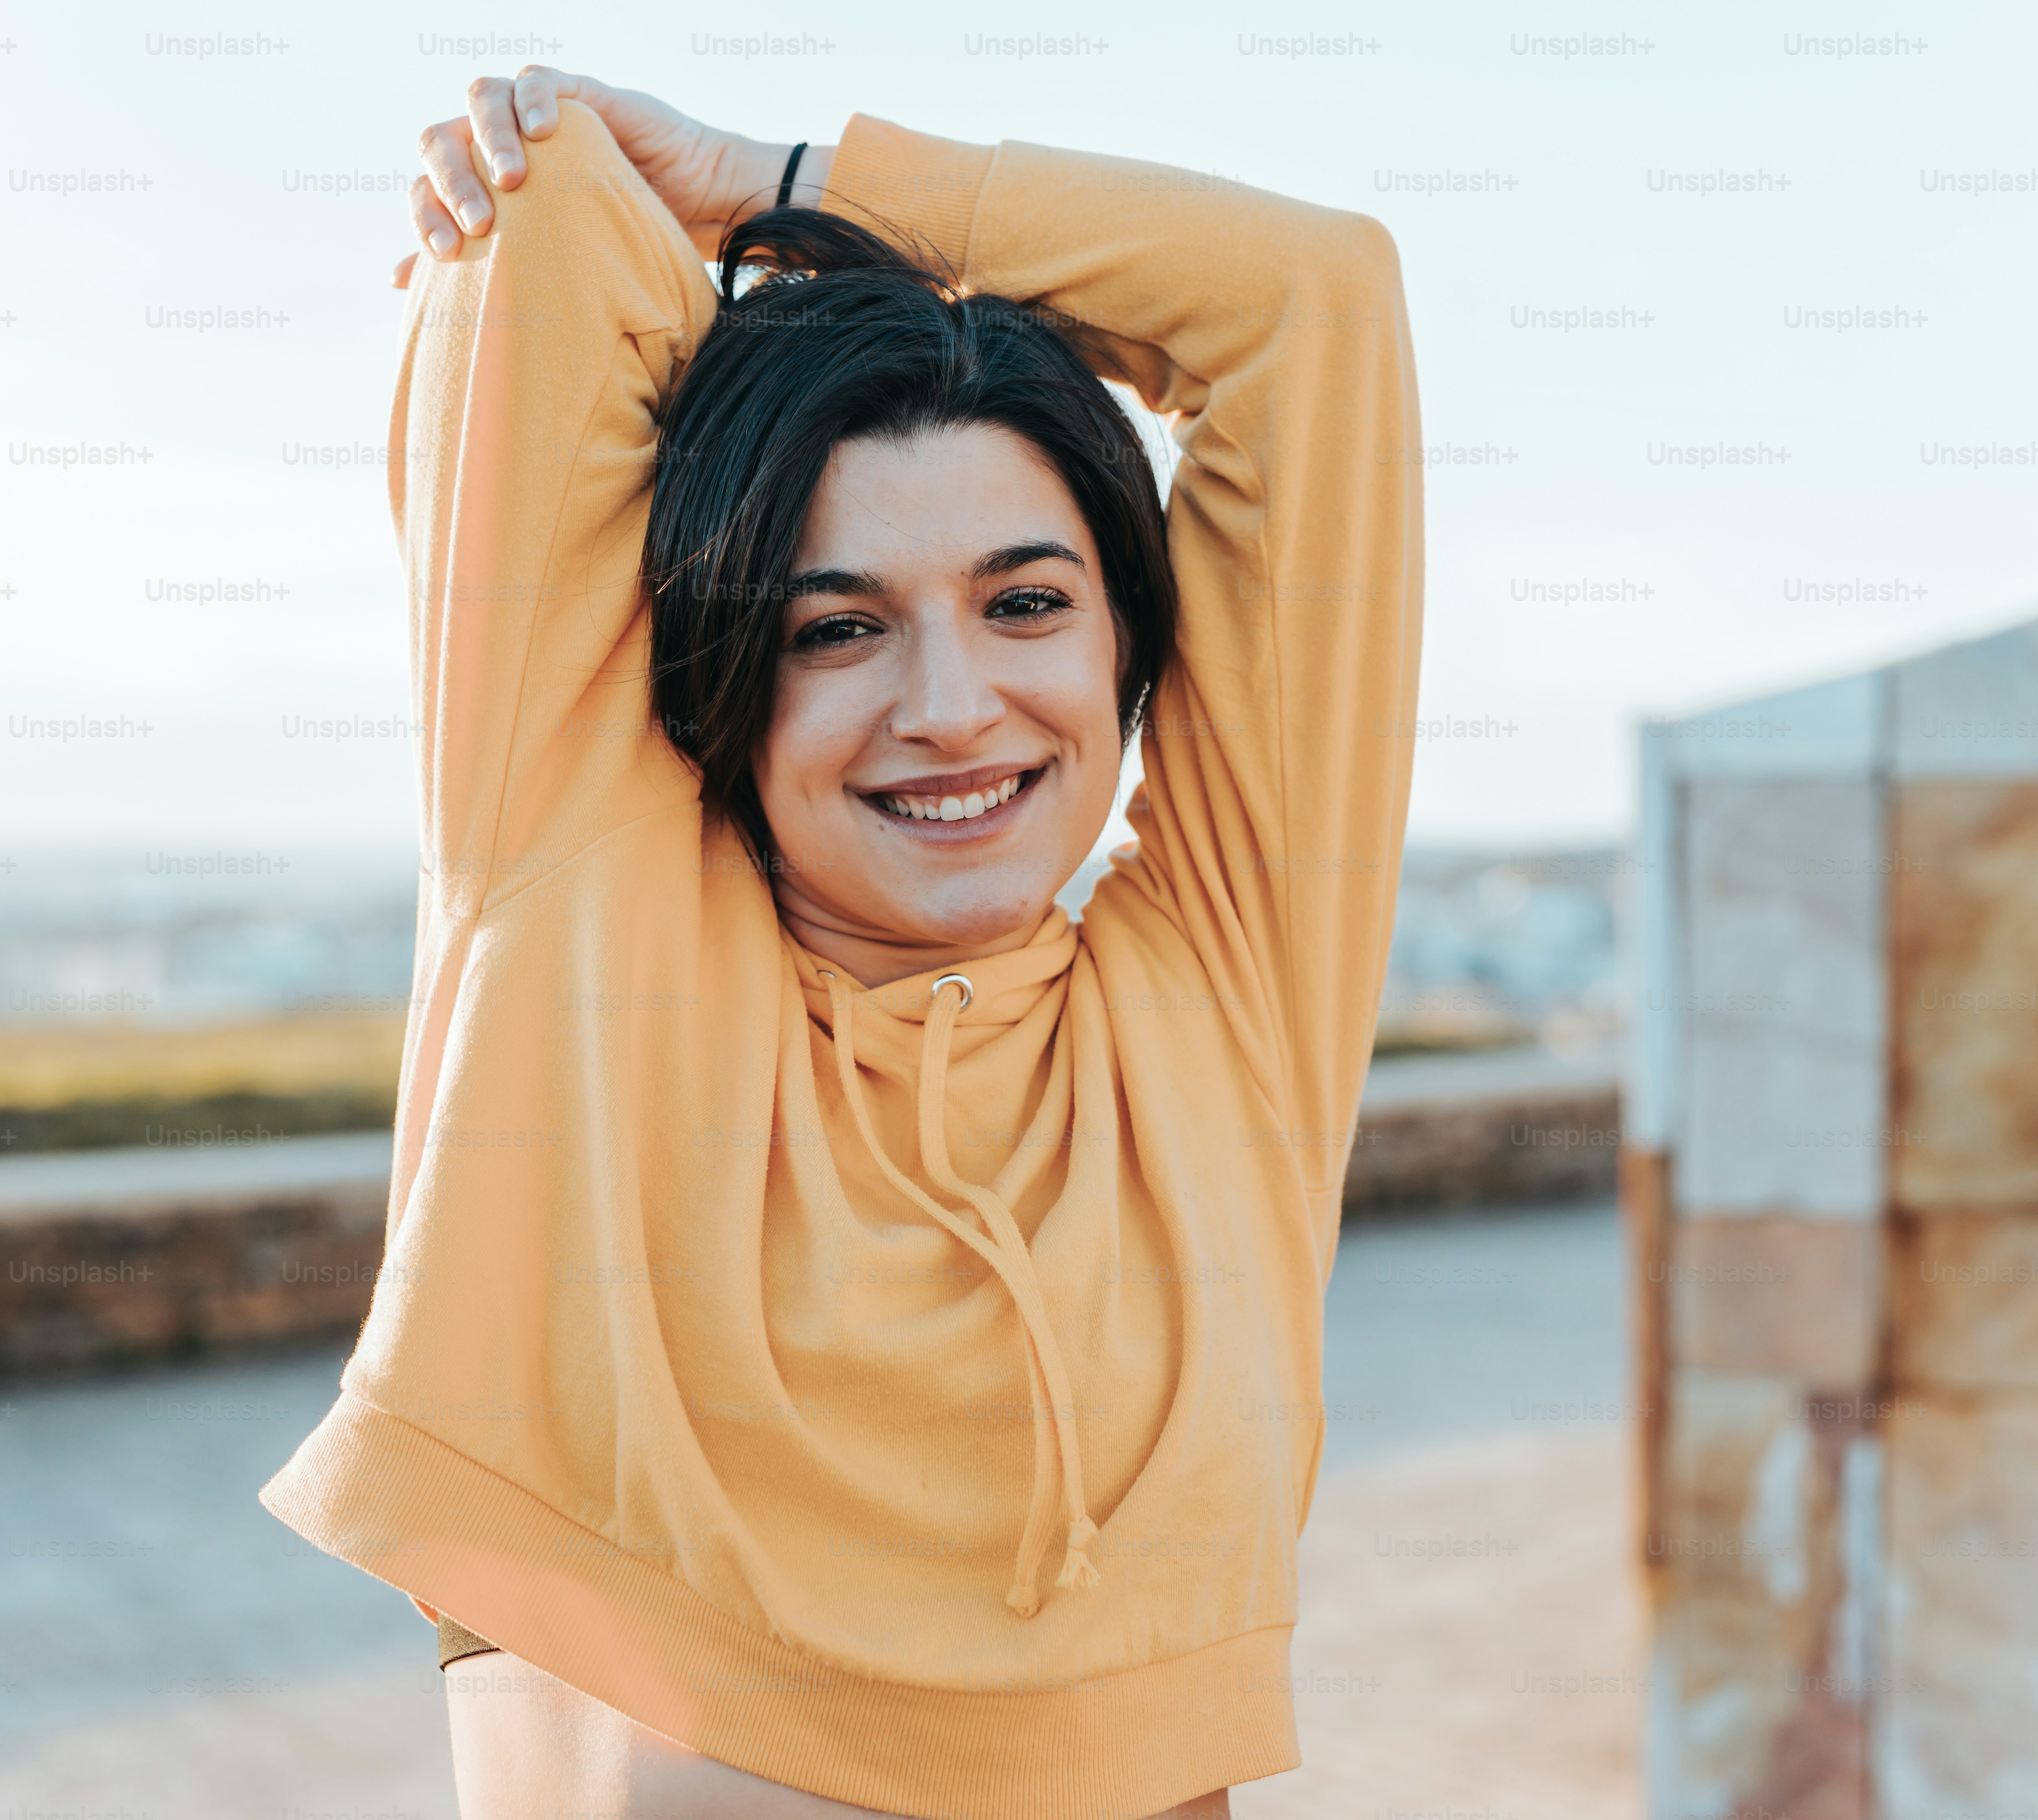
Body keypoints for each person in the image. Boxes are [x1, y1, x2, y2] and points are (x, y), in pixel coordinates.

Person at [264, 65, 1422, 1820]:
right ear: (731, 664)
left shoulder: (1225, 1000)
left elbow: (1312, 302)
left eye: (1027, 601)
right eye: (838, 628)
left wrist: (794, 182)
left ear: (1128, 642)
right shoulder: (590, 934)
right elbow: (552, 214)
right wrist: (658, 204)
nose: (952, 708)